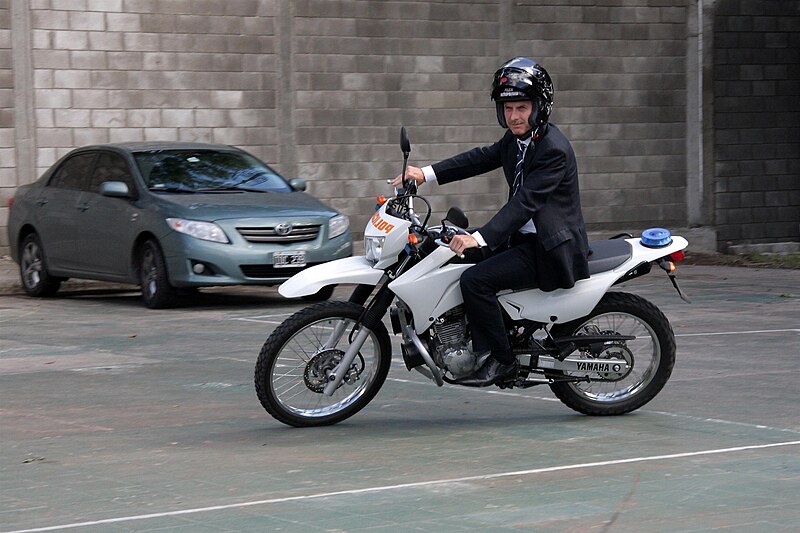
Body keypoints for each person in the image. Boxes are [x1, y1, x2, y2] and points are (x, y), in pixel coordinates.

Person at [391, 57, 590, 387]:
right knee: (441, 252)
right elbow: (479, 158)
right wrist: (424, 174)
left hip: (547, 248)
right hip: (520, 239)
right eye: (508, 108)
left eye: (522, 107)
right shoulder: (516, 141)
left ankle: (501, 360)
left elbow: (526, 203)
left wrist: (480, 238)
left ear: (540, 107)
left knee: (475, 281)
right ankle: (455, 338)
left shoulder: (553, 149)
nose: (514, 116)